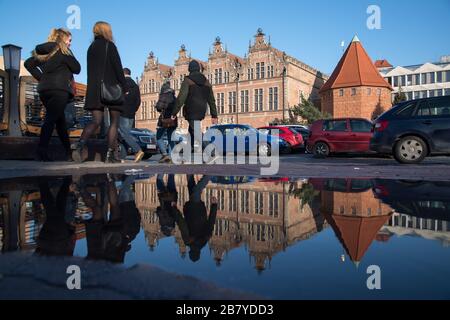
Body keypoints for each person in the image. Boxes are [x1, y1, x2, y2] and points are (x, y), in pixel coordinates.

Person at [72, 21, 128, 163]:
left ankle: (79, 146)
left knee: (95, 121)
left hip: (95, 90)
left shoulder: (90, 48)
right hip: (111, 90)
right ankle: (111, 155)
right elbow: (118, 68)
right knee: (114, 122)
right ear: (107, 31)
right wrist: (125, 87)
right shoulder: (110, 46)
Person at [24, 28, 81, 161]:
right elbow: (77, 68)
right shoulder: (63, 51)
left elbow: (28, 64)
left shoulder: (45, 52)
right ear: (62, 39)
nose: (70, 43)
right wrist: (69, 53)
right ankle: (41, 151)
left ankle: (68, 152)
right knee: (50, 119)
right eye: (69, 40)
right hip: (59, 90)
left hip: (44, 90)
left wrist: (42, 78)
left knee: (59, 121)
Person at [171, 60, 218, 155]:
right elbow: (211, 100)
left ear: (189, 69)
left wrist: (174, 112)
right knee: (191, 130)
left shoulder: (188, 80)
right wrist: (214, 115)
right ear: (199, 69)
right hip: (201, 110)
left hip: (191, 110)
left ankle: (210, 151)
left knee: (196, 132)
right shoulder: (206, 82)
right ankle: (188, 151)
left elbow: (181, 98)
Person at [175, 175, 217, 262]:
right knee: (196, 191)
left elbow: (211, 222)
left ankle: (188, 167)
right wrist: (175, 210)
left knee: (191, 186)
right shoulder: (188, 241)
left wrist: (214, 206)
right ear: (190, 252)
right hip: (191, 209)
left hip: (200, 210)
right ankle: (209, 174)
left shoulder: (205, 240)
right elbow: (182, 224)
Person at [118, 68, 144, 162]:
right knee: (125, 134)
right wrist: (134, 110)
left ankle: (138, 150)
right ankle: (122, 157)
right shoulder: (136, 86)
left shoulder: (121, 84)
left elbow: (118, 98)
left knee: (124, 134)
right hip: (131, 114)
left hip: (122, 112)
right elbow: (138, 101)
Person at [156, 81, 178, 163]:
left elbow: (159, 107)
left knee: (159, 137)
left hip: (164, 120)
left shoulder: (163, 96)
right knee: (171, 138)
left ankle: (165, 155)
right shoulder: (174, 97)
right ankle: (172, 157)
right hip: (173, 120)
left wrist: (158, 107)